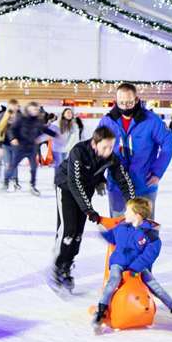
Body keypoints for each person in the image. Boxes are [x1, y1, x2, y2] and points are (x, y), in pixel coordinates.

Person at [50, 125, 135, 293]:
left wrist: (133, 204)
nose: (109, 150)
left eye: (111, 147)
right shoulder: (79, 152)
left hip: (85, 189)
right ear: (95, 144)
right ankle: (58, 267)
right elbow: (75, 182)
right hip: (66, 187)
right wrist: (89, 210)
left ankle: (67, 265)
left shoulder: (110, 157)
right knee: (68, 230)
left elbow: (123, 179)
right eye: (105, 147)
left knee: (78, 234)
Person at [93, 196, 172, 332]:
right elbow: (112, 237)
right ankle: (101, 312)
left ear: (137, 215)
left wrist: (135, 267)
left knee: (156, 287)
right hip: (119, 263)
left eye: (128, 211)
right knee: (113, 281)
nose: (125, 213)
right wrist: (101, 229)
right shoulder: (122, 226)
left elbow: (150, 254)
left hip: (137, 266)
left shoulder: (149, 234)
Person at [102, 83, 172, 216]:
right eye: (121, 102)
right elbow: (99, 149)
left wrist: (157, 172)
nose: (124, 107)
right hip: (117, 183)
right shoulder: (107, 121)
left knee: (145, 226)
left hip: (144, 183)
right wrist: (99, 176)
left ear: (136, 100)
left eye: (129, 103)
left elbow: (168, 143)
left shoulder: (151, 121)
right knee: (119, 224)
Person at [5, 101, 56, 194]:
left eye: (36, 109)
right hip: (20, 147)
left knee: (33, 168)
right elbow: (11, 129)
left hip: (32, 148)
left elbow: (44, 129)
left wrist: (55, 134)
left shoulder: (39, 120)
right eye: (33, 109)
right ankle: (6, 183)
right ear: (28, 109)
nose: (35, 111)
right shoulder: (21, 119)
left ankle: (33, 186)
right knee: (13, 166)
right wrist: (13, 138)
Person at [50, 108, 83, 173]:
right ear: (63, 114)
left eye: (70, 113)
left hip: (67, 148)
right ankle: (58, 179)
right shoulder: (56, 123)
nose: (69, 114)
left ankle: (62, 179)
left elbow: (76, 137)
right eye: (67, 112)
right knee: (59, 164)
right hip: (57, 148)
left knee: (65, 165)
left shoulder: (74, 125)